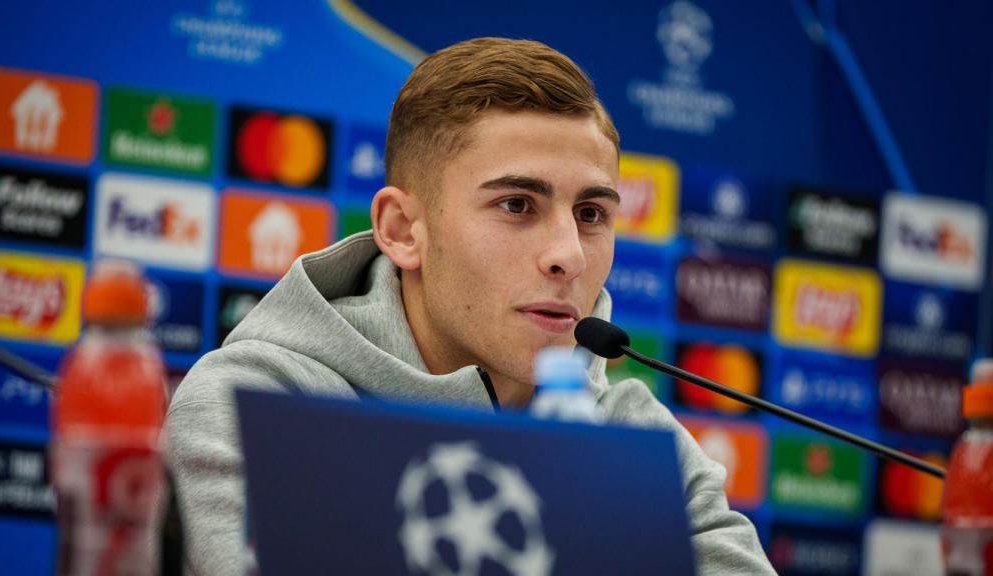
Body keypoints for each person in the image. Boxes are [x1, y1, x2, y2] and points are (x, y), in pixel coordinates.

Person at [167, 37, 776, 575]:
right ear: (404, 230)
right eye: (517, 205)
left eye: (591, 215)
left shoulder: (638, 442)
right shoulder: (252, 404)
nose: (569, 255)